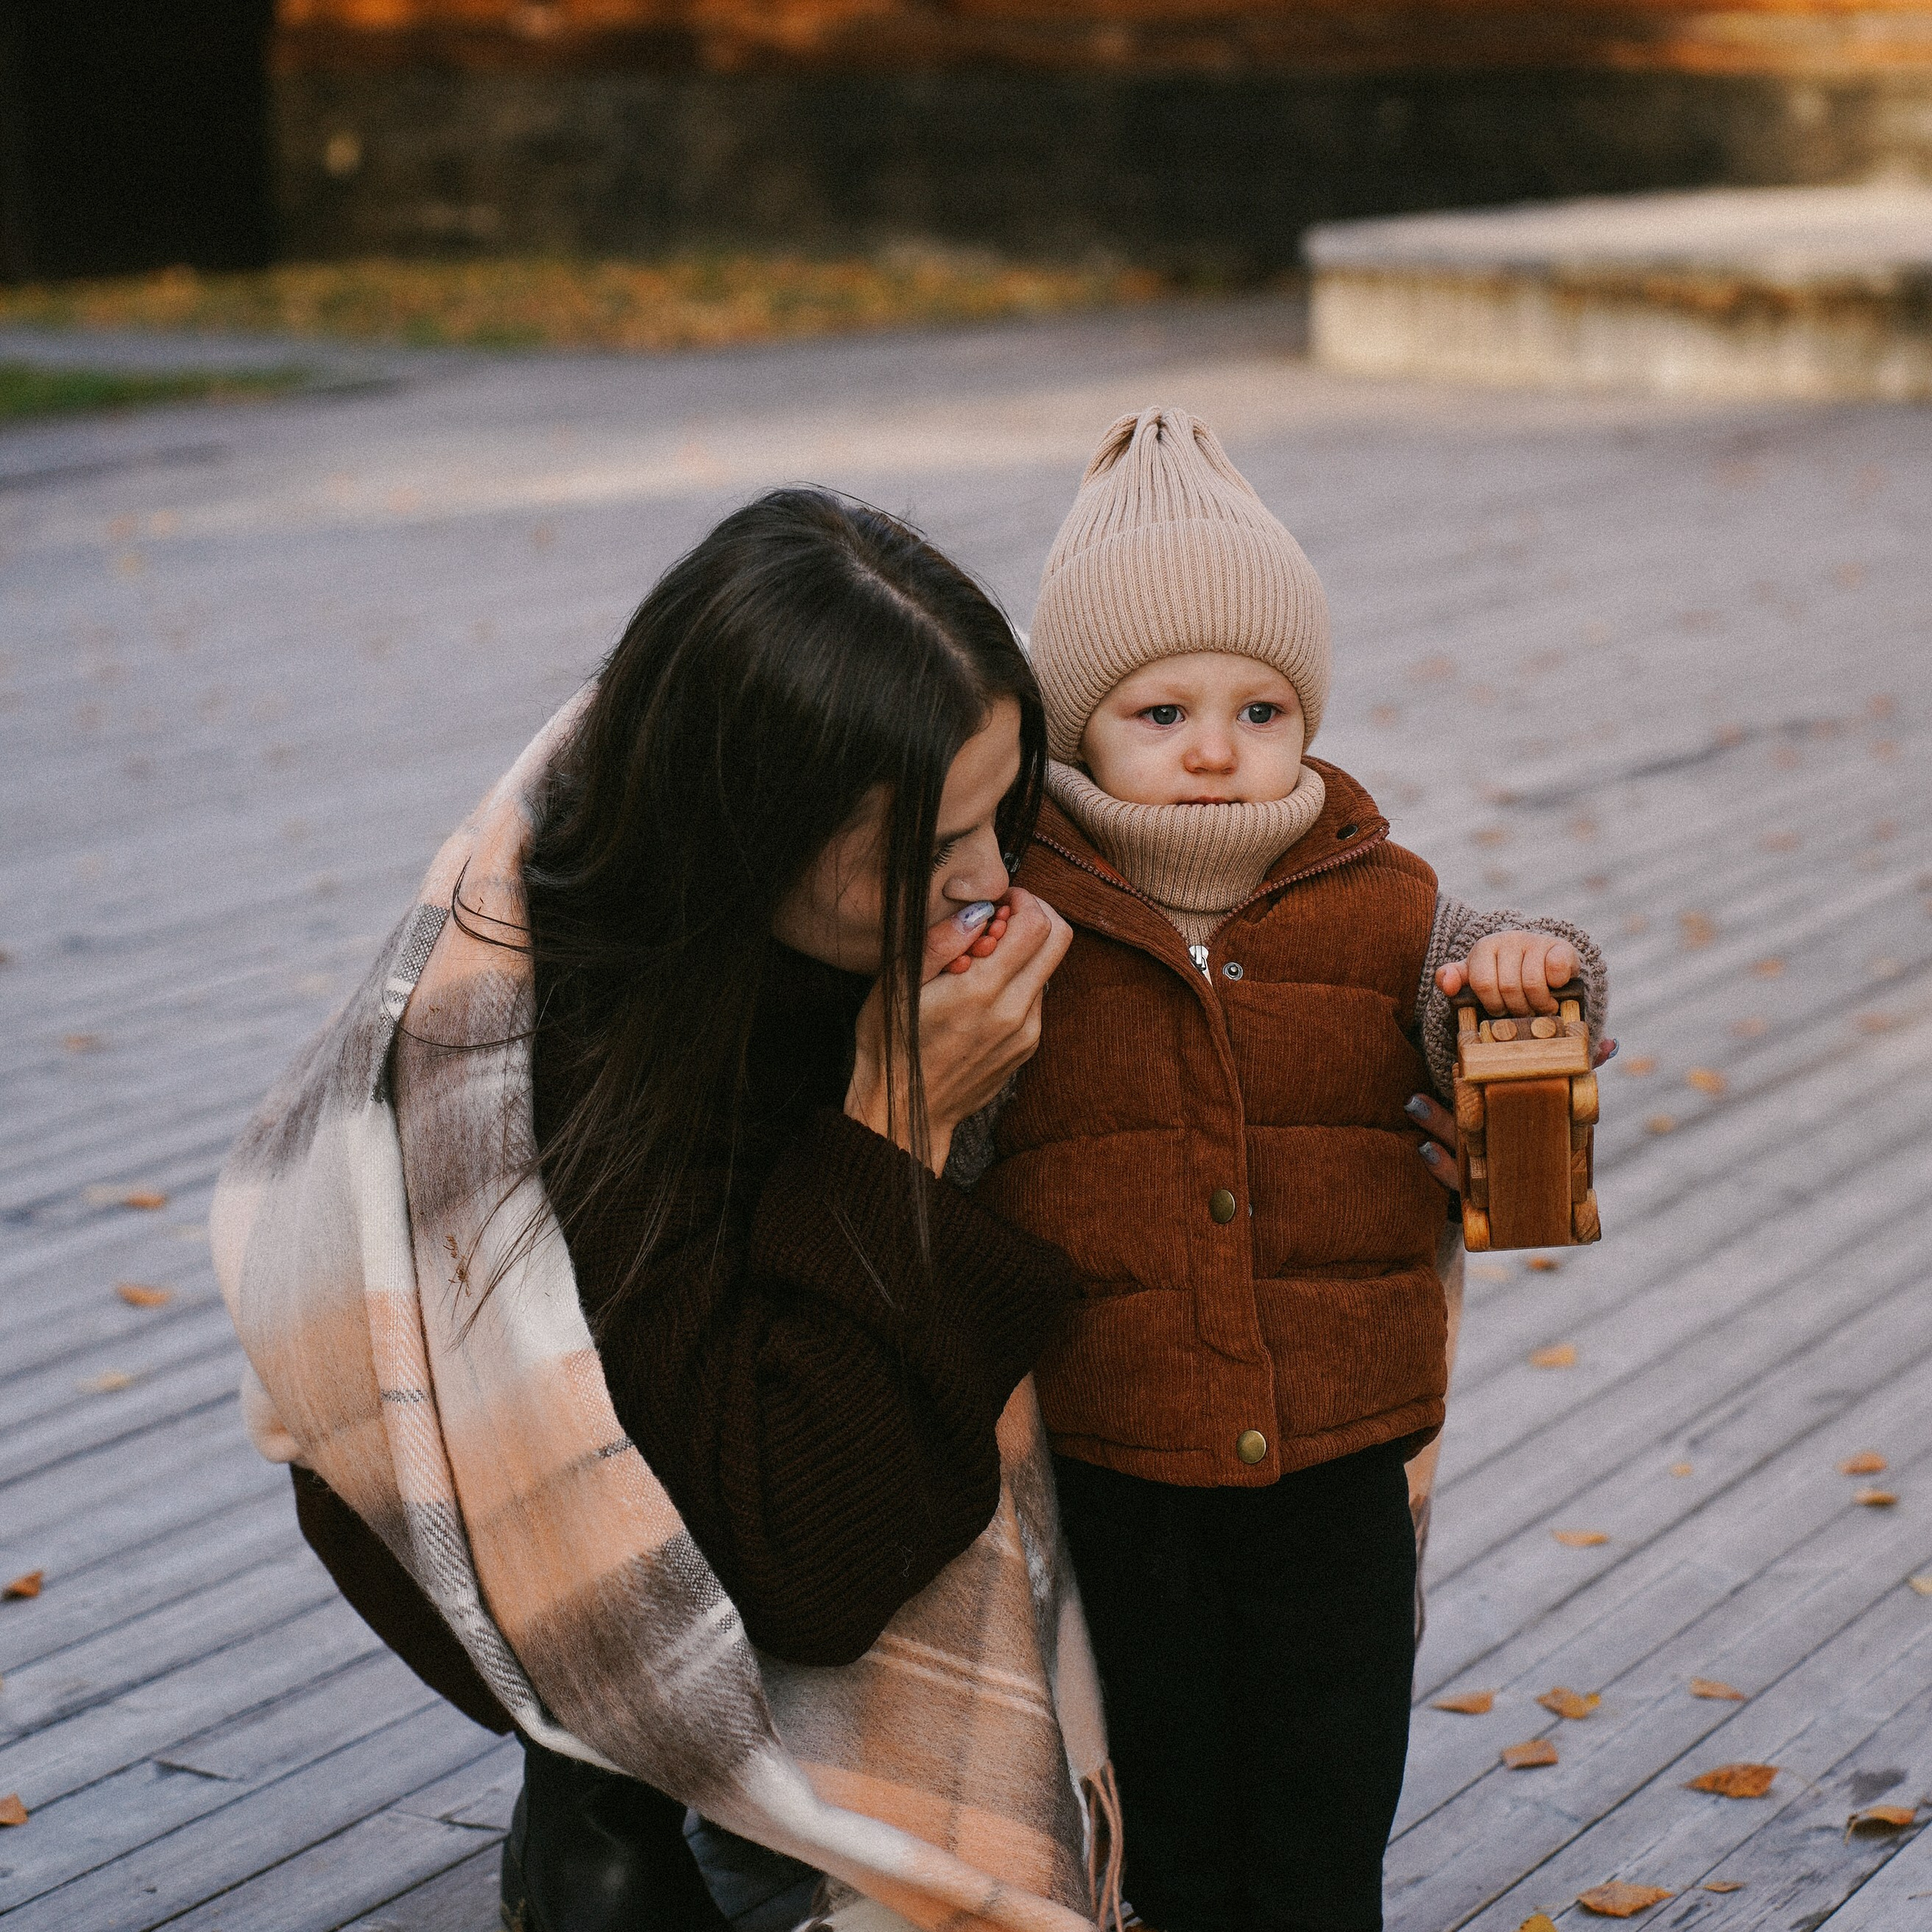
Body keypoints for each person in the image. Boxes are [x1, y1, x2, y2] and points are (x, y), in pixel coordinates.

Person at [280, 488, 1083, 1932]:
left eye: (1002, 810)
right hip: (537, 1474)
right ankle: (602, 1771)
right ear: (753, 839)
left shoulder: (953, 846)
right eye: (927, 849)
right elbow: (800, 1562)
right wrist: (899, 1127)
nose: (988, 882)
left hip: (790, 1391)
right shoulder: (562, 1039)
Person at [969, 408, 1611, 1932]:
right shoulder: (1021, 912)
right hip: (1119, 1451)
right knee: (1172, 1800)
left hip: (1341, 1443)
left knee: (1329, 1793)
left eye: (1260, 708)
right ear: (1076, 727)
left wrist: (1533, 972)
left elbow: (1515, 1004)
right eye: (1160, 710)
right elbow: (954, 1121)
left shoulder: (1384, 899)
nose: (1215, 748)